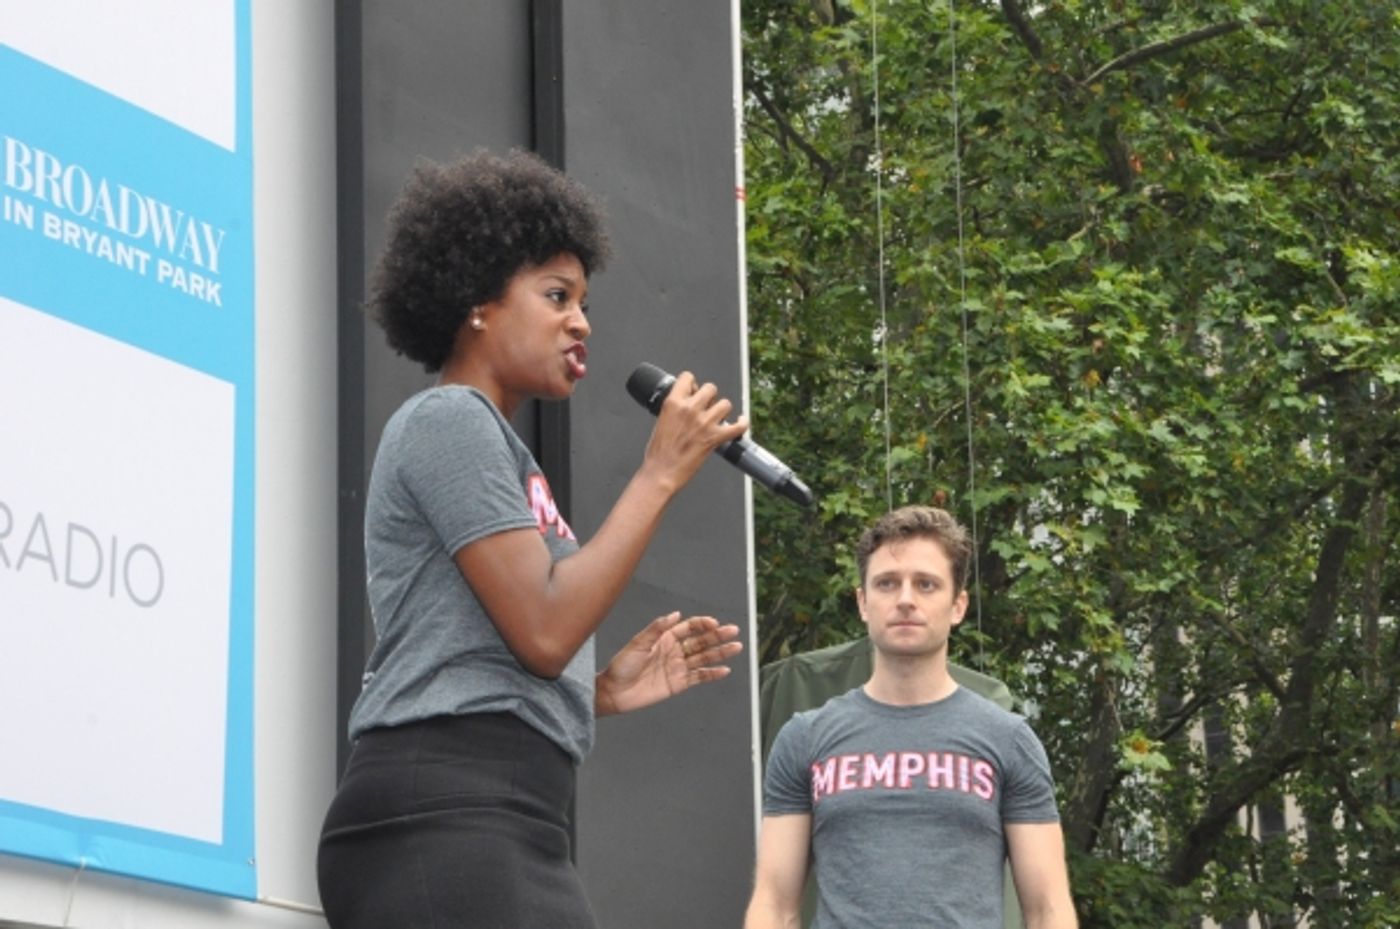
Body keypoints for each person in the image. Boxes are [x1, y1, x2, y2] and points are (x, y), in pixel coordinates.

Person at [317, 149, 748, 929]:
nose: (580, 320)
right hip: (444, 812)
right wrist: (657, 475)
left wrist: (599, 692)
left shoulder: (497, 448)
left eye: (584, 300)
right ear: (478, 300)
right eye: (556, 294)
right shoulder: (448, 419)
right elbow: (544, 629)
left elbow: (502, 645)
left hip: (504, 816)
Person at [745, 505, 1077, 929]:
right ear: (863, 602)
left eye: (926, 584)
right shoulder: (805, 738)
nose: (905, 599)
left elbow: (1049, 909)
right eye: (887, 583)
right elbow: (774, 906)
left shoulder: (1009, 740)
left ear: (957, 606)